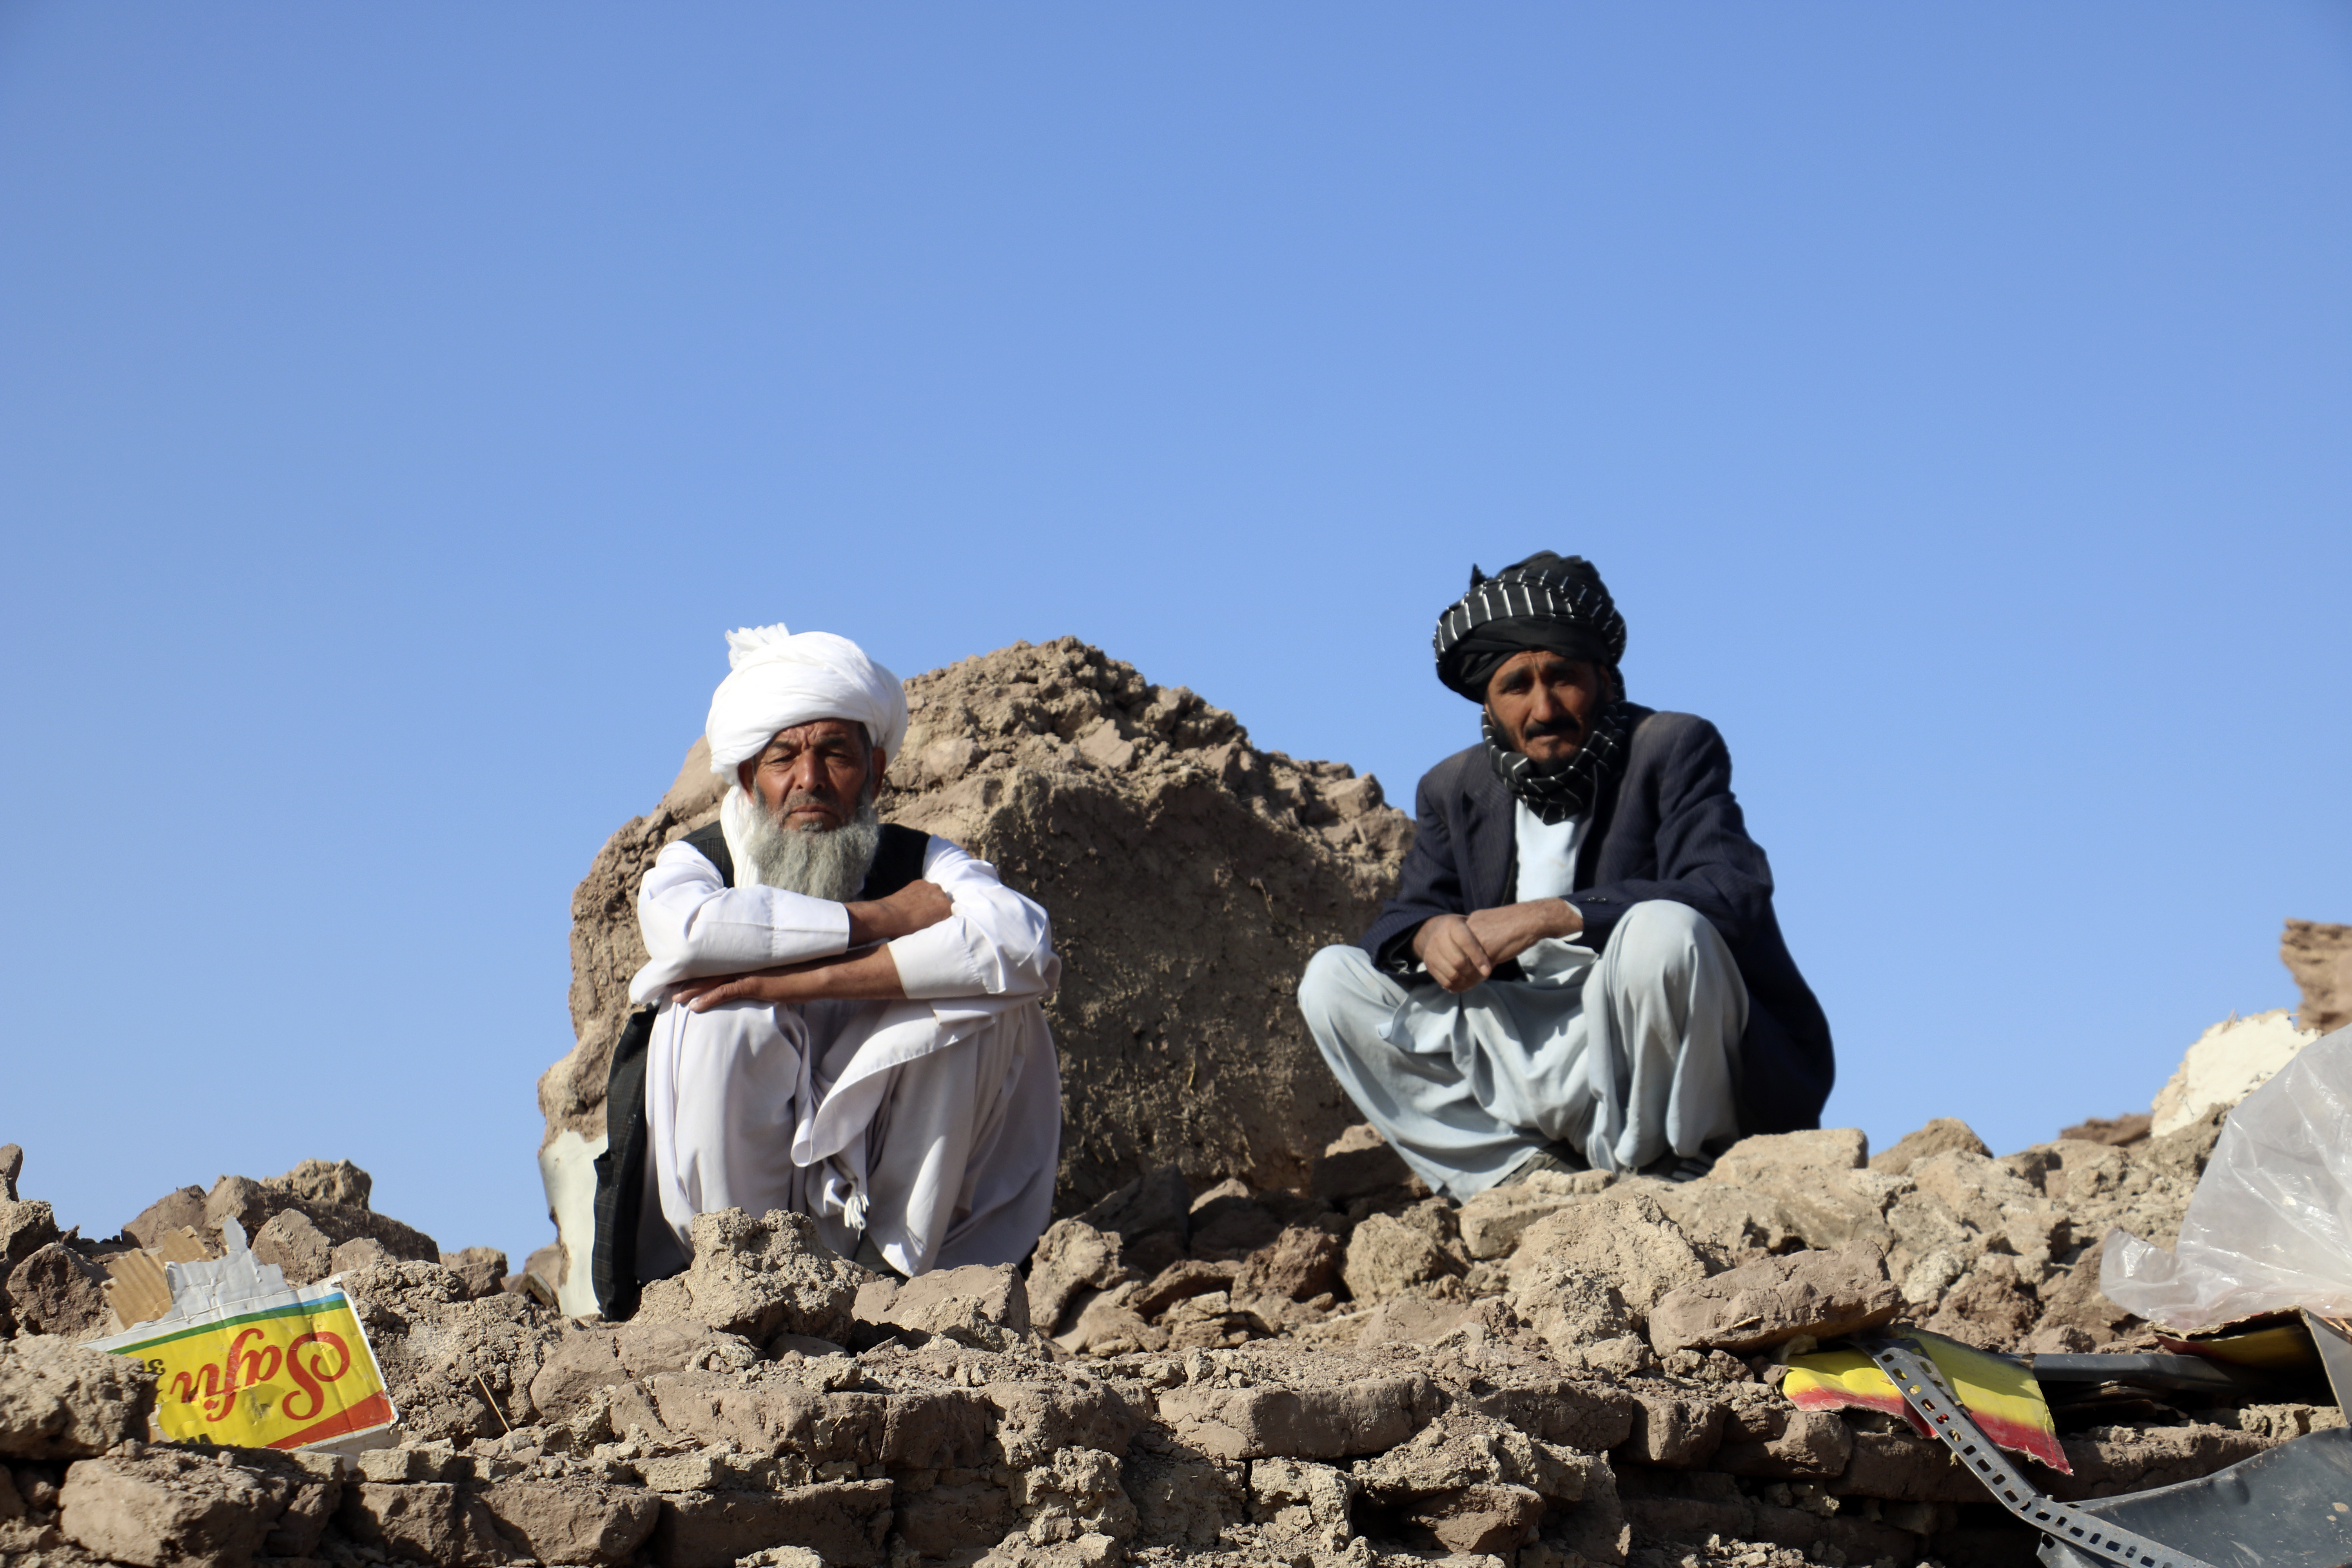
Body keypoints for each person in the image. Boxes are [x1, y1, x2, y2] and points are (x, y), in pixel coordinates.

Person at [1296, 552, 1832, 1200]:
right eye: (1516, 686)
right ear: (1488, 707)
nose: (1544, 708)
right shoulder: (1453, 787)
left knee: (1664, 930)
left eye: (1563, 678)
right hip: (1532, 1049)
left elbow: (1729, 892)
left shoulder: (1672, 747)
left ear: (1606, 679)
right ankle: (1518, 1177)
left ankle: (1663, 1167)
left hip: (1648, 1041)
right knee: (1332, 980)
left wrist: (1552, 914)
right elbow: (1403, 916)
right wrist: (1431, 933)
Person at [596, 624, 1060, 1306]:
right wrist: (878, 921)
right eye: (783, 757)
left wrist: (809, 979)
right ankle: (744, 1282)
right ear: (749, 777)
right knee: (721, 1014)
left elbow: (1023, 944)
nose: (808, 780)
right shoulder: (701, 863)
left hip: (881, 1206)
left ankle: (888, 1284)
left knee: (990, 1003)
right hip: (742, 1229)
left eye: (835, 754)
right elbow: (690, 934)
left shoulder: (922, 861)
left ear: (874, 771)